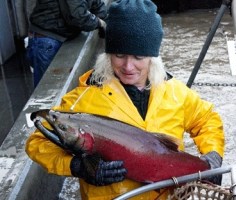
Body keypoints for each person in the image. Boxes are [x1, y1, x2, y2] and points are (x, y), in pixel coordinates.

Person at [25, 0, 225, 199]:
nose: (128, 67)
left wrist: (213, 154)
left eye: (138, 57)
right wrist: (76, 166)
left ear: (152, 57)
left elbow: (207, 119)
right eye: (119, 55)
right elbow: (36, 143)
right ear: (108, 55)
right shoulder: (84, 98)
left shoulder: (176, 92)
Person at [26, 0, 107, 87]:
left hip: (62, 34)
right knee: (47, 88)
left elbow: (96, 4)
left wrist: (103, 18)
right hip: (46, 38)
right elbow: (78, 16)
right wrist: (99, 22)